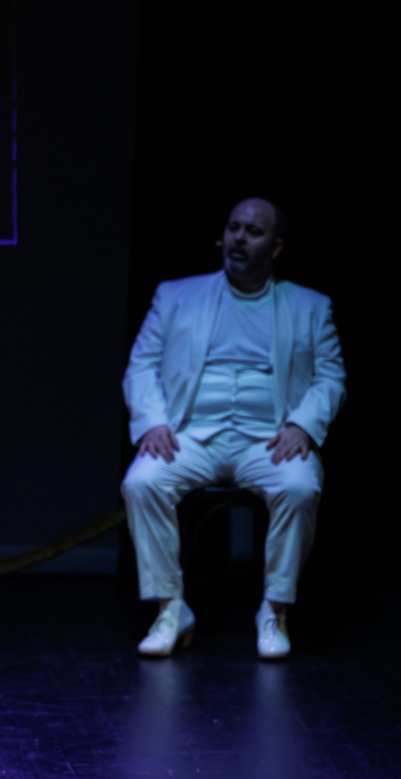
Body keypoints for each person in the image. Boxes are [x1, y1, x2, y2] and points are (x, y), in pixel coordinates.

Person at [121, 197, 346, 659]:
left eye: (253, 232)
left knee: (299, 487)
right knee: (142, 483)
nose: (239, 238)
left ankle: (274, 610)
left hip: (269, 440)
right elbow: (141, 364)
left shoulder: (309, 306)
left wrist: (302, 426)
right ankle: (171, 608)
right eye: (233, 228)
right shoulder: (175, 296)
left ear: (275, 247)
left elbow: (331, 377)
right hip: (190, 435)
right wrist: (153, 423)